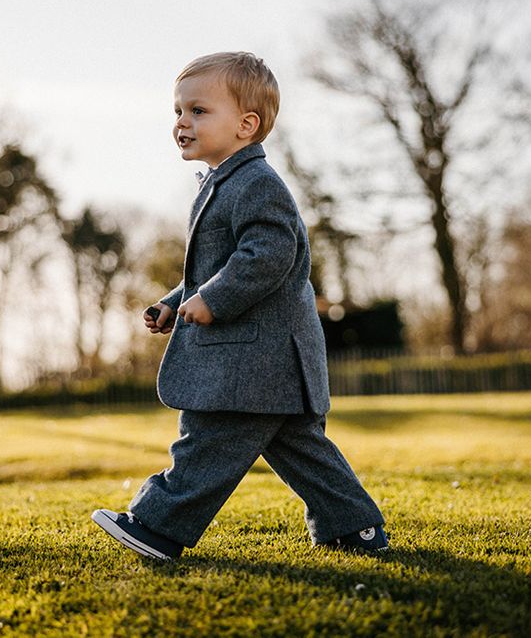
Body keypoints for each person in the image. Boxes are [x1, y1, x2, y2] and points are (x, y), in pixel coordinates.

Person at [91, 52, 386, 560]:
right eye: (178, 111)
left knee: (206, 440)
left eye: (198, 111)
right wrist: (174, 303)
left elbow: (269, 254)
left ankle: (157, 528)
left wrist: (215, 300)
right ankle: (356, 527)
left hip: (256, 359)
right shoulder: (220, 183)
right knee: (302, 450)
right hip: (267, 363)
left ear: (246, 125)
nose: (182, 122)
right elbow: (213, 269)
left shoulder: (256, 183)